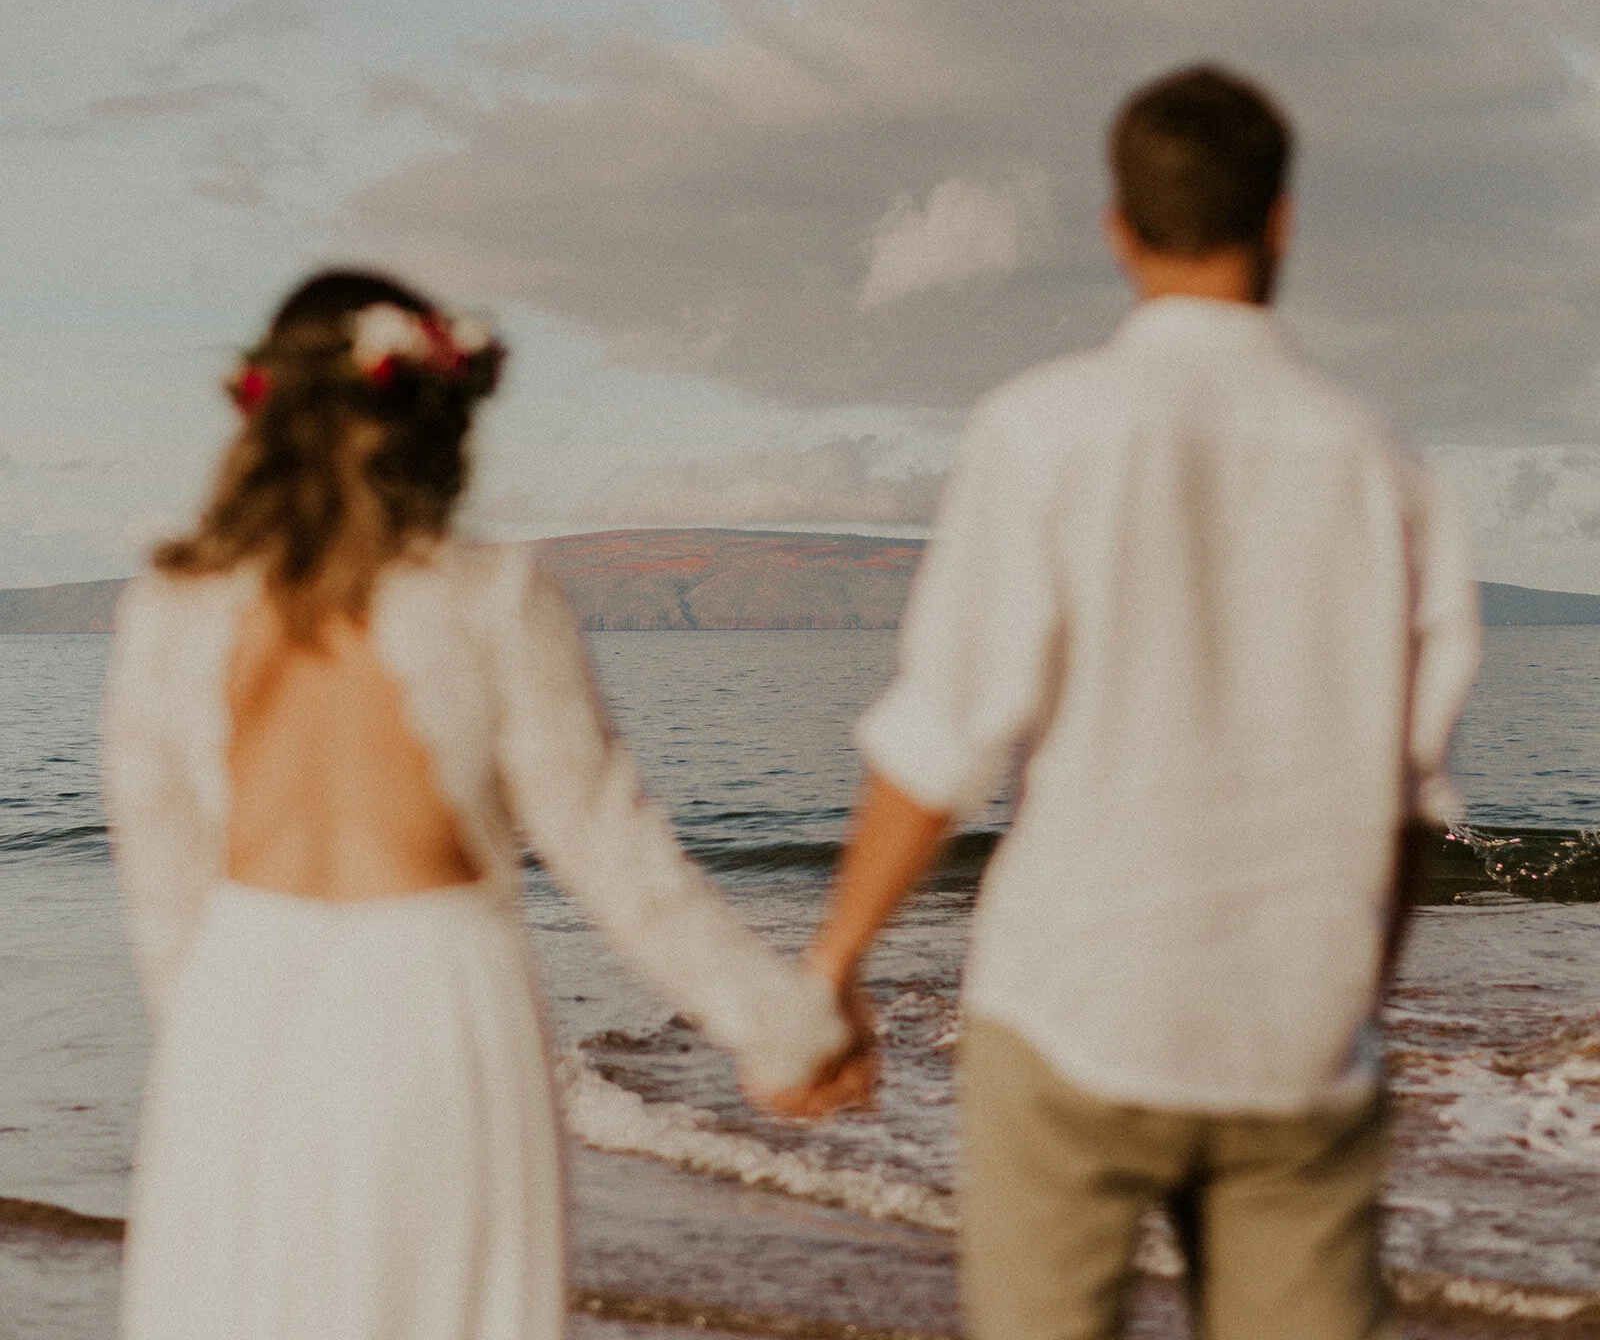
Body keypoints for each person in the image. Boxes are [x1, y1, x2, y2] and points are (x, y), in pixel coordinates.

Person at [785, 66, 1481, 1339]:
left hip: (1073, 1006)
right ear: (1279, 218)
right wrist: (1351, 1000)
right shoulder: (1379, 459)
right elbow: (1405, 800)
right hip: (1295, 1035)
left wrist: (832, 967)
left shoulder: (1041, 432)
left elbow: (941, 743)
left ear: (1118, 229)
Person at [102, 269, 870, 1340]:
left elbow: (165, 897)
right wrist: (783, 1025)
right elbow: (613, 850)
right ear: (435, 418)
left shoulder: (170, 611)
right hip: (435, 1008)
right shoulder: (490, 596)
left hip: (239, 1013)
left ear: (265, 412)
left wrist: (214, 1057)